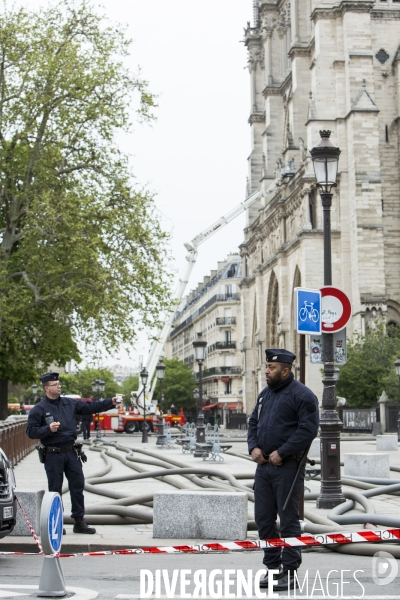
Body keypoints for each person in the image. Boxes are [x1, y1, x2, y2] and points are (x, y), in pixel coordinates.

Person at [247, 348, 319, 590]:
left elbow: (308, 430)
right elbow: (253, 422)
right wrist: (253, 447)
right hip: (263, 466)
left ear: (286, 370)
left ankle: (290, 571)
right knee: (264, 519)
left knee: (288, 520)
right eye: (266, 367)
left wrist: (283, 452)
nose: (266, 371)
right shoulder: (265, 394)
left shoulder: (303, 396)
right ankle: (273, 567)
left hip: (287, 466)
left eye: (272, 368)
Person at [26, 372, 118, 534]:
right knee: (55, 489)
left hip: (71, 452)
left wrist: (111, 402)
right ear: (47, 388)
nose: (59, 386)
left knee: (77, 486)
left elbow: (91, 407)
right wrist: (48, 429)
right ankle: (56, 523)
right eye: (55, 385)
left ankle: (79, 521)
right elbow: (31, 432)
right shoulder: (39, 409)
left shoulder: (70, 403)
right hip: (53, 454)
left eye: (59, 384)